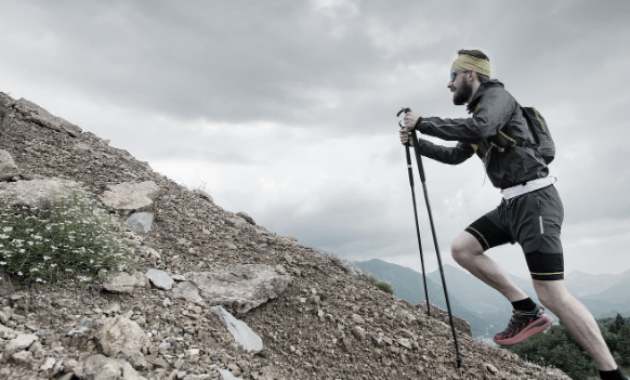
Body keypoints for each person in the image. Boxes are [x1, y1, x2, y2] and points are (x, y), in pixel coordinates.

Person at [399, 49, 626, 380]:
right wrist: (417, 143)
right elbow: (455, 155)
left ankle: (613, 375)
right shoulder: (480, 113)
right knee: (463, 248)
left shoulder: (497, 98)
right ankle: (525, 308)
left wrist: (424, 123)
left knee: (553, 293)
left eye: (452, 77)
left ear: (470, 75)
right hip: (512, 204)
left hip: (535, 200)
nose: (448, 84)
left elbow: (480, 127)